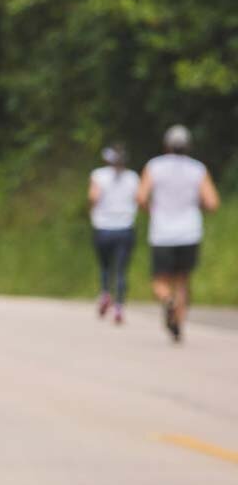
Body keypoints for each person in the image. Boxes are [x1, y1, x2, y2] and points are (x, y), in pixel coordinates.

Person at [137, 124, 220, 342]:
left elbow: (141, 198)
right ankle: (178, 324)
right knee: (182, 280)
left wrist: (152, 211)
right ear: (188, 146)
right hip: (189, 231)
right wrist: (196, 206)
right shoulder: (197, 169)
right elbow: (212, 202)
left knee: (160, 281)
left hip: (162, 231)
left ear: (166, 146)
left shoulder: (154, 166)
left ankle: (167, 301)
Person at [88, 145, 139, 324]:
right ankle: (119, 306)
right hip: (125, 227)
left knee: (105, 266)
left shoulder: (98, 175)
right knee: (121, 270)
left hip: (103, 227)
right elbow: (139, 199)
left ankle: (104, 293)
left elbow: (93, 198)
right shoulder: (133, 177)